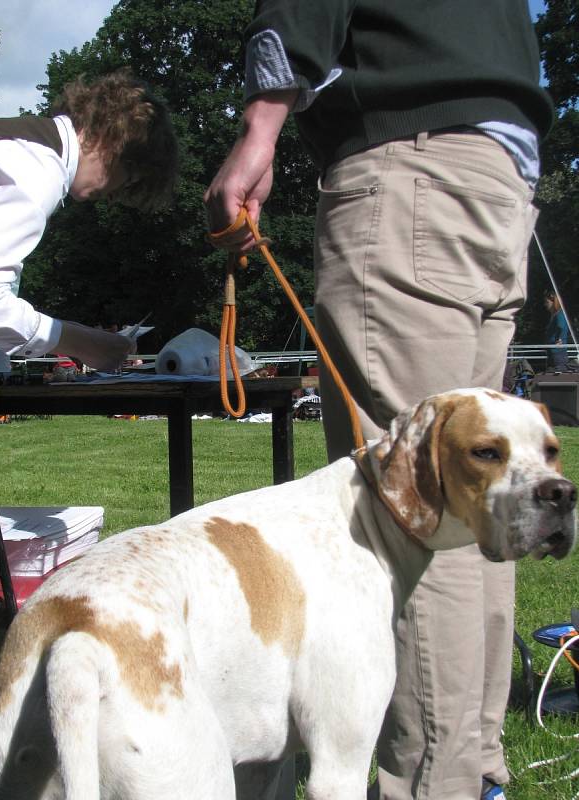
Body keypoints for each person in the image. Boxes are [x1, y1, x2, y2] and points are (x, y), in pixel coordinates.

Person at [204, 3, 553, 799]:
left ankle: (432, 784)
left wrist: (259, 132)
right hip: (498, 179)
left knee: (410, 507)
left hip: (411, 178)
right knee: (476, 503)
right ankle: (471, 767)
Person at [0, 69, 178, 373]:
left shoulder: (19, 142)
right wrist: (83, 342)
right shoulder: (38, 169)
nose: (113, 194)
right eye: (127, 179)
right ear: (117, 140)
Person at [544, 290, 571, 371]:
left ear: (553, 301)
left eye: (547, 302)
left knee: (557, 376)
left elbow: (561, 326)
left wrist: (558, 338)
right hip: (553, 351)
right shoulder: (555, 315)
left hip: (558, 352)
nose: (545, 304)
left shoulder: (559, 314)